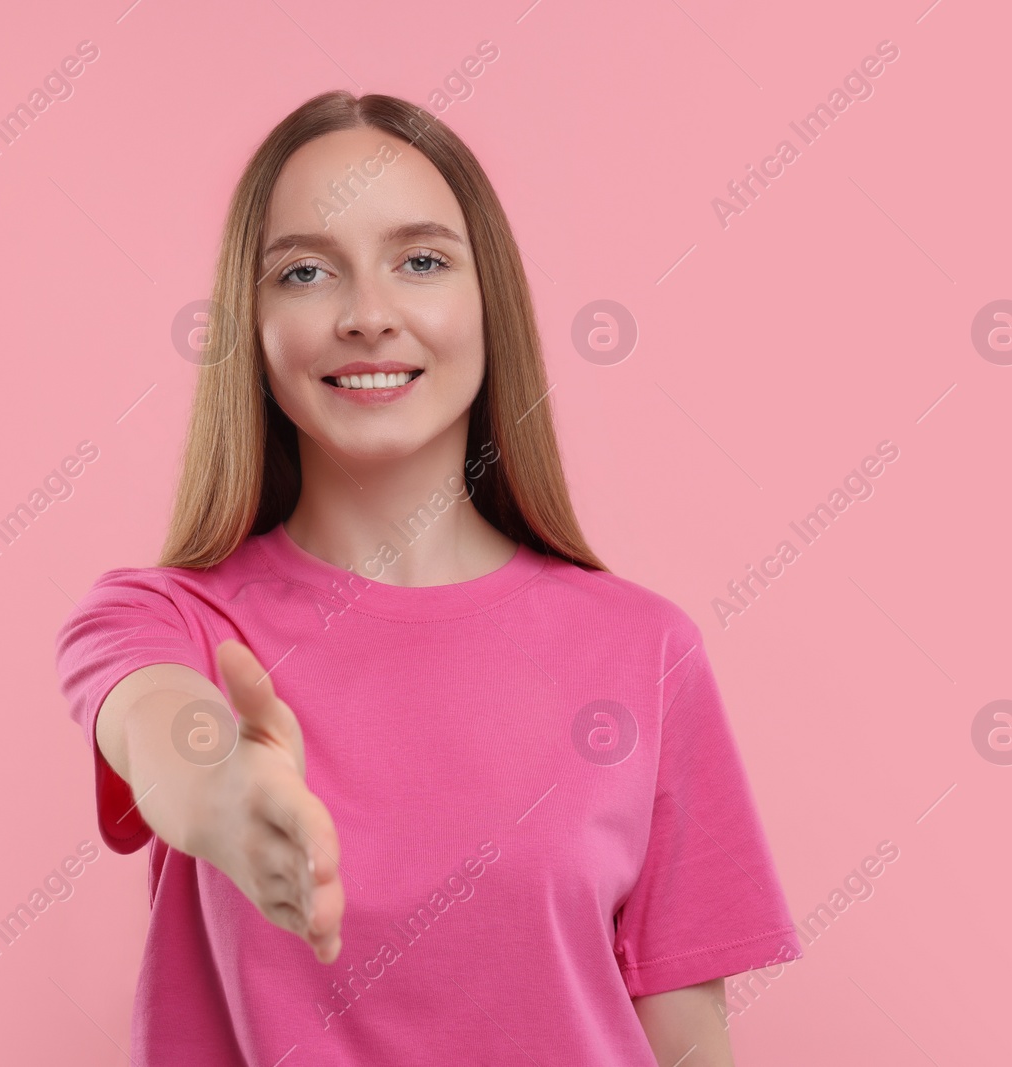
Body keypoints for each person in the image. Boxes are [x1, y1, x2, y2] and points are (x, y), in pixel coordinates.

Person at [54, 89, 800, 1066]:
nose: (368, 315)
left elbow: (688, 1038)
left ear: (488, 298)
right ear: (253, 318)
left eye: (420, 260)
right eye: (306, 271)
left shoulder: (647, 650)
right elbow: (157, 724)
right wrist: (220, 792)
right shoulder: (168, 618)